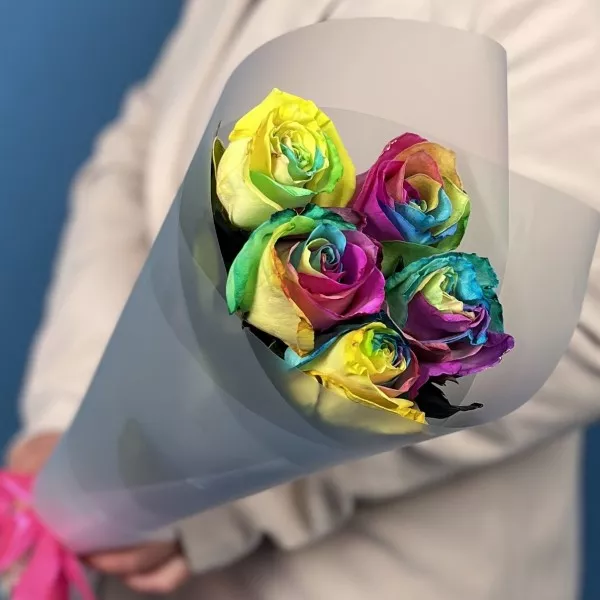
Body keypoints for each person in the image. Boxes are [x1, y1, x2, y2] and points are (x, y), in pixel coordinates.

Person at [8, 1, 600, 598]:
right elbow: (138, 159)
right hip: (125, 531)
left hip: (381, 575)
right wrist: (74, 418)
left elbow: (579, 321)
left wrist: (207, 494)